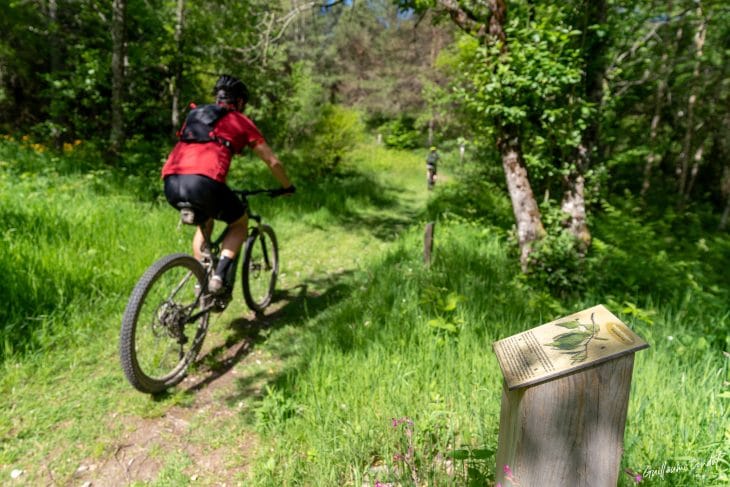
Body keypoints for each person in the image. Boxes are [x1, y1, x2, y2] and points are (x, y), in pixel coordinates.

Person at [162, 74, 294, 294]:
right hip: (204, 182)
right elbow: (272, 161)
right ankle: (219, 277)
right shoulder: (240, 120)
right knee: (239, 223)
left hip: (170, 180)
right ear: (240, 102)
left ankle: (201, 280)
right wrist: (287, 186)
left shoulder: (195, 114)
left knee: (205, 221)